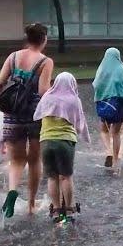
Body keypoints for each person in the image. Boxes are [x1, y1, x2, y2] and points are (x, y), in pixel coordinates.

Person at [0, 23, 54, 217]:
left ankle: (12, 192)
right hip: (35, 114)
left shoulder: (13, 57)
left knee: (17, 160)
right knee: (34, 161)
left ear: (28, 39)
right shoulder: (45, 62)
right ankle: (31, 204)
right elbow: (43, 91)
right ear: (43, 40)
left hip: (13, 113)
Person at [33, 72, 90, 222]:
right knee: (65, 176)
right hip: (65, 142)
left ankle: (57, 210)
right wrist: (84, 136)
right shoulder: (73, 100)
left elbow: (37, 115)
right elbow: (80, 122)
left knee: (52, 177)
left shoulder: (47, 97)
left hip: (46, 141)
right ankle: (69, 210)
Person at [92, 48, 123, 172]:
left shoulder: (102, 69)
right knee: (116, 132)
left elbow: (96, 84)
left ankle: (108, 151)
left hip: (105, 103)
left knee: (103, 129)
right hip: (119, 104)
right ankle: (115, 161)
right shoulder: (122, 69)